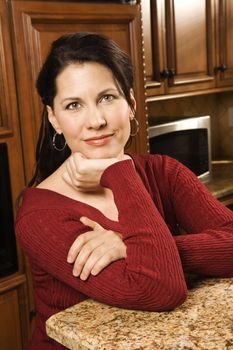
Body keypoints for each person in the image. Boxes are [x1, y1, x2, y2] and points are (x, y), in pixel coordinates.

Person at [15, 32, 233, 350]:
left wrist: (135, 247)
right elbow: (159, 288)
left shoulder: (162, 172)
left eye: (107, 97)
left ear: (130, 103)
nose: (97, 120)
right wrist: (120, 171)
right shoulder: (38, 215)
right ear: (54, 119)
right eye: (74, 105)